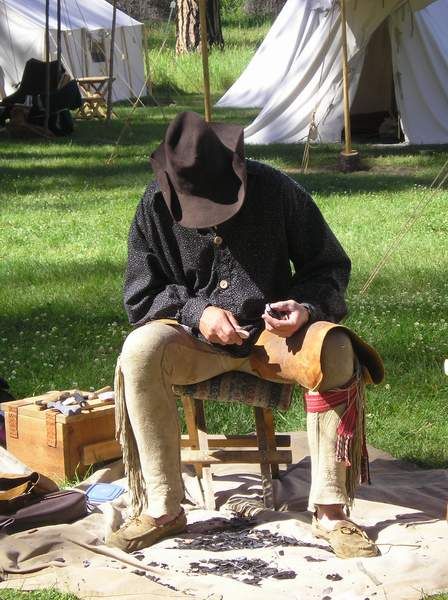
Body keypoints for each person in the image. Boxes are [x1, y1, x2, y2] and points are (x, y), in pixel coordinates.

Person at [107, 111, 384, 558]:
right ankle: (163, 509)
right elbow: (141, 296)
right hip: (194, 342)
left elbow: (329, 266)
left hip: (275, 341)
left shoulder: (277, 190)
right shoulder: (154, 205)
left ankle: (331, 510)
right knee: (139, 350)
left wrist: (304, 309)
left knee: (335, 346)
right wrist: (198, 312)